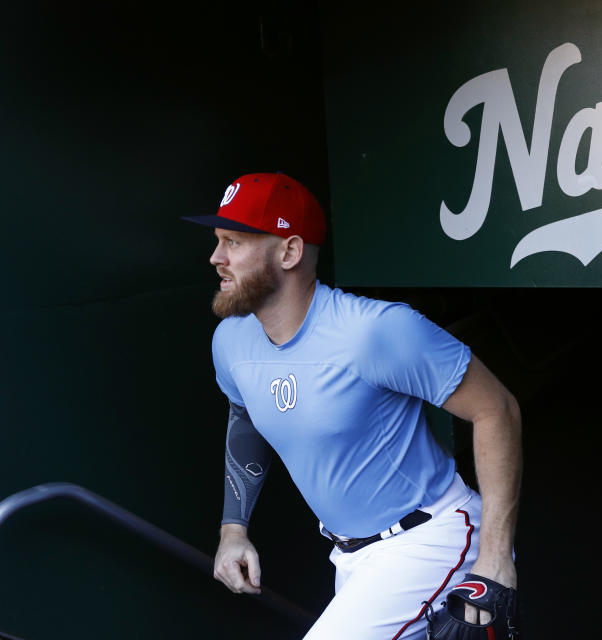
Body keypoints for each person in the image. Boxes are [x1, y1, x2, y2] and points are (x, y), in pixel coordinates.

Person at [182, 172, 521, 639]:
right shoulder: (231, 341)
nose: (216, 258)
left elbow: (496, 409)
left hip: (430, 537)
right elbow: (246, 417)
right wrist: (232, 530)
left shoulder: (375, 331)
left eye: (234, 242)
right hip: (349, 558)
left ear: (290, 252)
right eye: (219, 241)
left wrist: (496, 559)